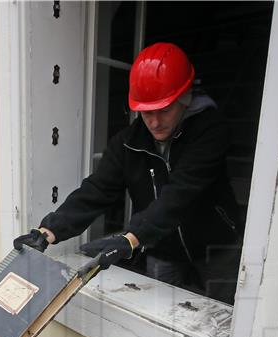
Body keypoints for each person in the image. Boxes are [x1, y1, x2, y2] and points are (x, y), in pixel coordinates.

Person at [14, 42, 243, 304]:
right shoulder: (128, 142)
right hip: (162, 247)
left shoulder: (210, 131)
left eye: (163, 110)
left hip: (217, 244)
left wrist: (131, 238)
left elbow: (181, 193)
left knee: (227, 315)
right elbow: (98, 189)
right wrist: (49, 231)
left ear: (184, 97)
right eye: (146, 112)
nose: (154, 122)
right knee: (159, 315)